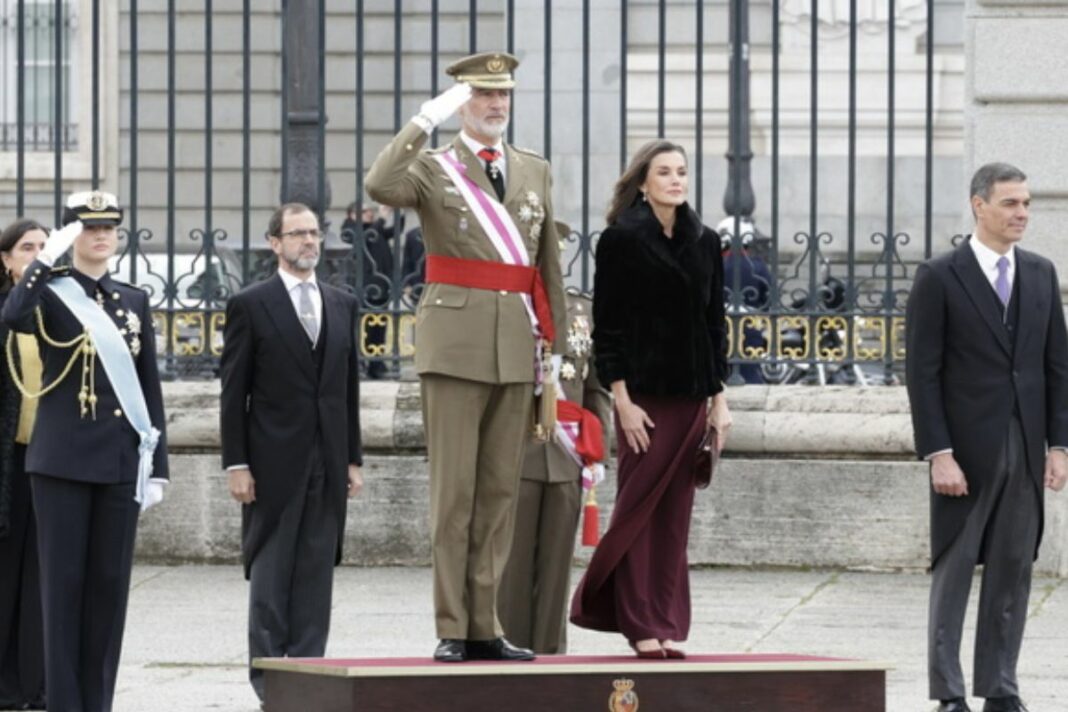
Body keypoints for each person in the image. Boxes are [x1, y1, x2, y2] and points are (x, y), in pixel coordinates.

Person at [365, 51, 566, 663]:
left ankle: (486, 624)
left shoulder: (534, 170)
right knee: (453, 495)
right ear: (462, 103)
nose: (496, 105)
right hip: (454, 346)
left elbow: (546, 265)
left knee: (499, 493)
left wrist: (551, 351)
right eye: (483, 96)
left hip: (514, 347)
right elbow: (380, 184)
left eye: (503, 95)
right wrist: (425, 119)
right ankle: (453, 623)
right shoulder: (433, 168)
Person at [906, 162, 1068, 712]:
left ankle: (1001, 688)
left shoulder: (1043, 274)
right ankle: (949, 693)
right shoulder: (939, 276)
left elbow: (1057, 369)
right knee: (953, 575)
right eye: (1010, 203)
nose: (1022, 213)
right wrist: (939, 454)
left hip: (1025, 449)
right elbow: (921, 373)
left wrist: (1060, 447)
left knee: (1013, 575)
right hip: (965, 454)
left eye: (1026, 203)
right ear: (979, 206)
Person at [1, 191, 169, 712]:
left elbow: (147, 387)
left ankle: (97, 701)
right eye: (88, 228)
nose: (100, 236)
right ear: (72, 234)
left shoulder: (133, 299)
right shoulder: (49, 292)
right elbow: (14, 314)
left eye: (108, 228)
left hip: (119, 462)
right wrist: (46, 257)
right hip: (62, 463)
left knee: (109, 591)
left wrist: (157, 467)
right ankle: (65, 703)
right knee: (62, 590)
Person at [569, 140, 732, 659]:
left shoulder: (705, 241)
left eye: (682, 171)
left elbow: (713, 326)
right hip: (642, 400)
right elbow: (608, 327)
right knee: (638, 511)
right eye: (664, 172)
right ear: (643, 182)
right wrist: (621, 398)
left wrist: (719, 400)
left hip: (691, 400)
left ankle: (663, 620)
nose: (676, 180)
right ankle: (631, 617)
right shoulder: (620, 240)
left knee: (674, 517)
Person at [220, 202, 364, 703]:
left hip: (327, 461)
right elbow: (233, 391)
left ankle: (309, 676)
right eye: (297, 234)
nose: (309, 242)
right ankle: (269, 681)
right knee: (271, 577)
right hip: (271, 465)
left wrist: (351, 458)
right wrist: (236, 463)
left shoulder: (342, 303)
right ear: (275, 243)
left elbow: (347, 389)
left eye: (314, 233)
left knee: (315, 577)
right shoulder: (251, 304)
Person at [498, 269, 611, 654]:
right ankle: (508, 649)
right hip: (518, 451)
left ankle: (550, 655)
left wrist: (599, 453)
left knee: (557, 567)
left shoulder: (583, 309)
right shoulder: (508, 304)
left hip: (568, 457)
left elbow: (596, 387)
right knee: (512, 566)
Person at [0, 219, 47, 711]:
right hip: (10, 459)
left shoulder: (61, 313)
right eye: (25, 247)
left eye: (42, 246)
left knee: (43, 577)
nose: (35, 254)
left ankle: (37, 683)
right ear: (6, 259)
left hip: (52, 462)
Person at [341, 202, 396, 379]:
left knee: (379, 327)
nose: (370, 214)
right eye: (364, 211)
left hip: (381, 286)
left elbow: (392, 231)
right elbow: (364, 238)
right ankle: (361, 365)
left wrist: (396, 213)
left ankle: (376, 364)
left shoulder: (374, 229)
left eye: (370, 211)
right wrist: (380, 218)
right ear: (351, 214)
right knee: (364, 328)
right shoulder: (350, 229)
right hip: (365, 288)